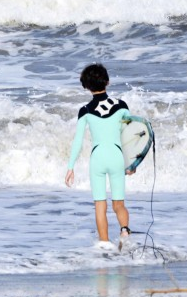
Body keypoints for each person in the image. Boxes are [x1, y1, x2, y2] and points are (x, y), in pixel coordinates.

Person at [65, 63, 133, 249]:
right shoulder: (121, 106)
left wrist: (70, 167)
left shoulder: (85, 111)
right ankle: (125, 230)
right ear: (107, 81)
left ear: (86, 86)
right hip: (117, 157)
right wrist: (132, 163)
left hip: (97, 160)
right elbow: (131, 136)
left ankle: (104, 245)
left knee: (100, 205)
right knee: (118, 203)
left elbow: (78, 141)